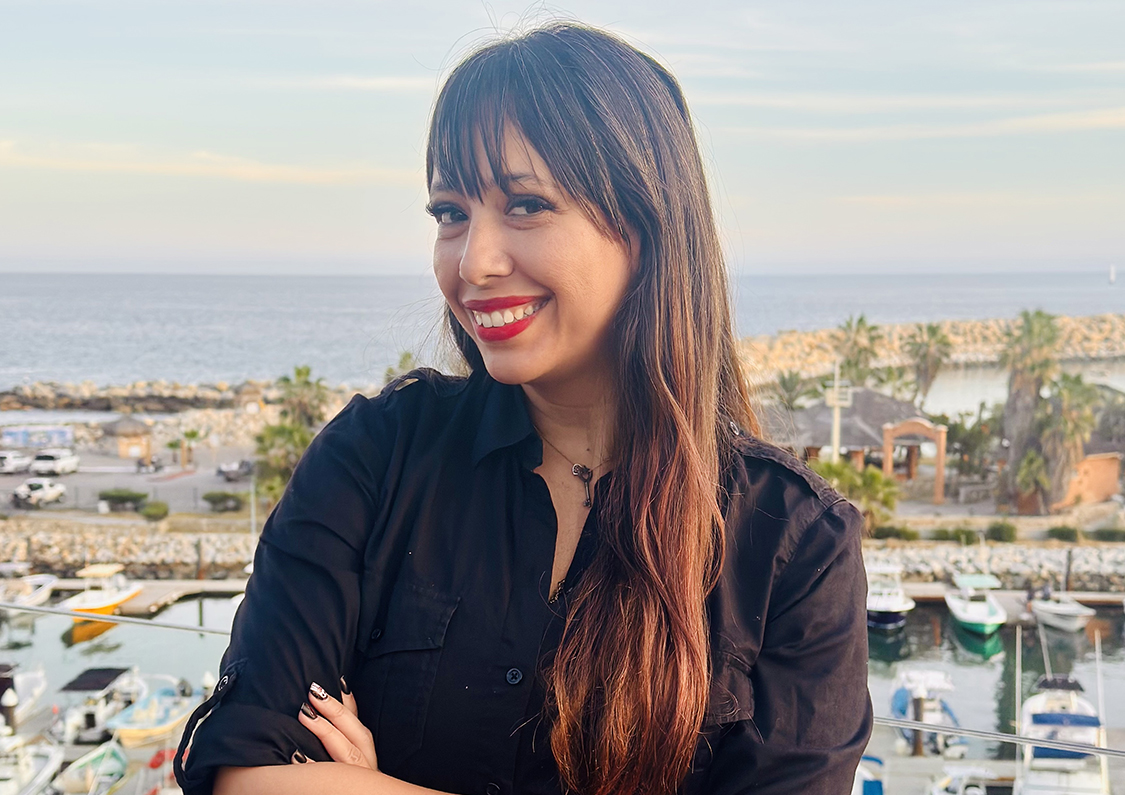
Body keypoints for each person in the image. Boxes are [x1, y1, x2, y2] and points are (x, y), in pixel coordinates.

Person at [174, 22, 872, 795]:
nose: (473, 261)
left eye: (527, 204)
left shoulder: (790, 541)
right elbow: (243, 772)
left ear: (644, 226)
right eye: (449, 212)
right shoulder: (376, 456)